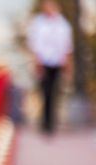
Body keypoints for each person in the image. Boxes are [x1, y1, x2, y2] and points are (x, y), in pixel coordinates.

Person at [26, 0, 73, 134]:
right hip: (43, 61)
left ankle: (51, 122)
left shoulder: (62, 24)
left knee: (54, 92)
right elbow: (34, 44)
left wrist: (67, 64)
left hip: (57, 62)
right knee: (45, 91)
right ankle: (45, 122)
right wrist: (36, 62)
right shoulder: (38, 23)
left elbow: (67, 46)